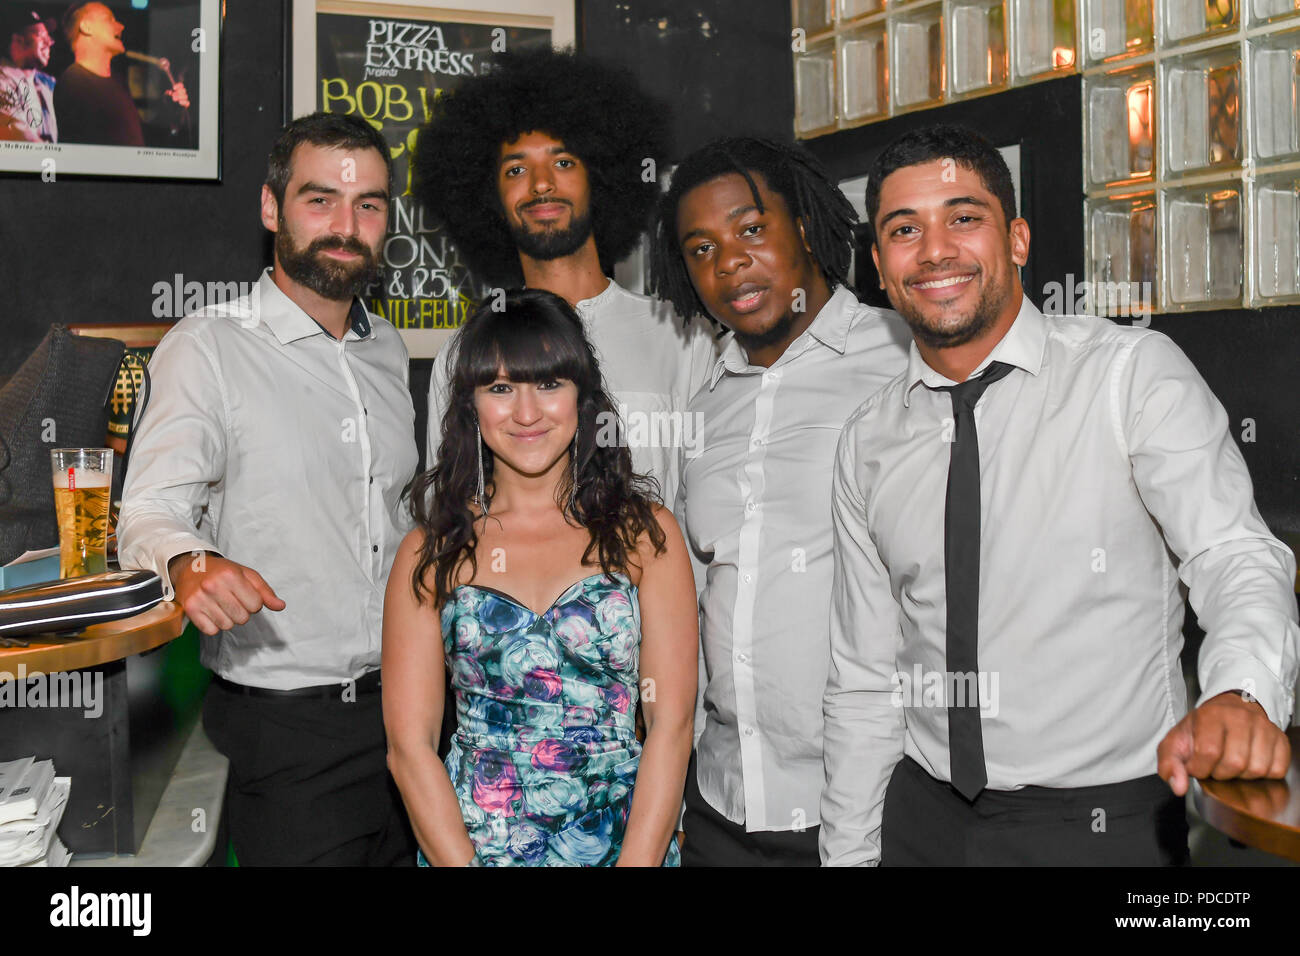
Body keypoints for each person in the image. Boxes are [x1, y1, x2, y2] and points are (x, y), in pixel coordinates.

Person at [821, 124, 1300, 866]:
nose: (936, 249)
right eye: (905, 229)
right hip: (921, 821)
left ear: (1016, 240)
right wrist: (849, 856)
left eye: (964, 217)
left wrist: (1240, 693)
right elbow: (861, 675)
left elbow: (1232, 554)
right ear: (880, 265)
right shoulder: (865, 439)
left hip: (1109, 825)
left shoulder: (1130, 375)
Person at [118, 112, 419, 866]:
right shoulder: (208, 346)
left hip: (410, 717)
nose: (346, 226)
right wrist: (189, 563)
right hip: (285, 737)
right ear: (270, 208)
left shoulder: (386, 350)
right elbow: (149, 509)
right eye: (320, 200)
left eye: (369, 205)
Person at [648, 137, 910, 865]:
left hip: (872, 808)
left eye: (751, 229)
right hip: (722, 806)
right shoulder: (702, 409)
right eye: (700, 248)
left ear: (805, 225)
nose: (728, 260)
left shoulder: (902, 363)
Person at [382, 288, 697, 866]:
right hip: (472, 851)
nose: (526, 413)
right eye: (500, 388)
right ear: (471, 404)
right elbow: (409, 748)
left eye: (549, 384)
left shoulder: (646, 536)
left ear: (583, 398)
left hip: (625, 847)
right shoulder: (430, 552)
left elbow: (671, 726)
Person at [411, 46, 720, 507]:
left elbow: (710, 499)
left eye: (563, 162)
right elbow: (453, 512)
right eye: (516, 168)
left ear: (601, 177)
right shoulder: (464, 354)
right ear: (487, 196)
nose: (540, 184)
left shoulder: (681, 336)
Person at [54, 2, 188, 146]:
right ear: (86, 27)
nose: (121, 26)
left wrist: (171, 113)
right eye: (109, 19)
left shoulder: (118, 82)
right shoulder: (73, 83)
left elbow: (138, 140)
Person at [0, 9, 57, 143]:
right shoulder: (2, 80)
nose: (48, 44)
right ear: (18, 40)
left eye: (49, 39)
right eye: (42, 37)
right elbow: (14, 132)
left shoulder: (48, 84)